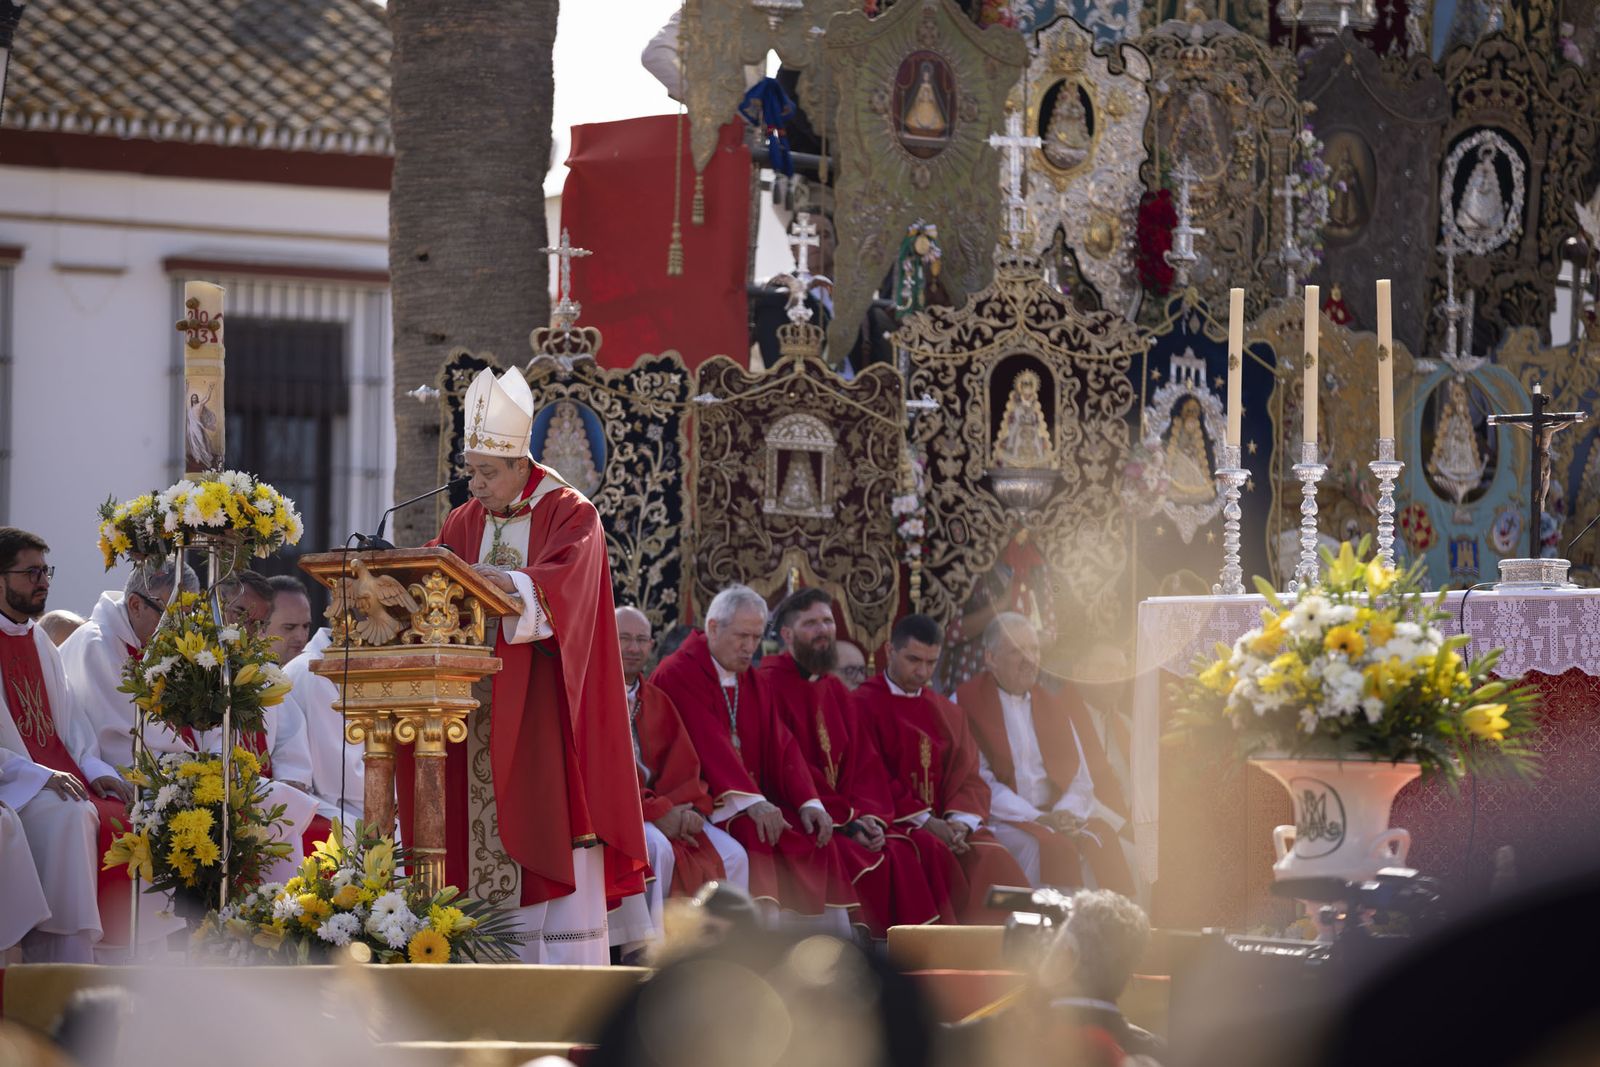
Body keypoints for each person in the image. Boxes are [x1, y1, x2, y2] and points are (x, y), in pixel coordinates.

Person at [396, 367, 648, 964]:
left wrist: (509, 583)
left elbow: (572, 586)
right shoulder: (466, 519)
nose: (476, 485)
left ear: (520, 464)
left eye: (488, 472)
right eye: (471, 471)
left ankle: (554, 978)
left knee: (542, 817)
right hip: (471, 712)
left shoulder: (571, 512)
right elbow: (435, 570)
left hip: (541, 708)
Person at [62, 561, 319, 887]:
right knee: (265, 802)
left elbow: (204, 726)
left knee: (280, 801)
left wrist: (210, 762)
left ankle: (271, 906)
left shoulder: (161, 642)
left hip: (172, 765)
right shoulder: (96, 644)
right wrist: (195, 765)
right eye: (173, 614)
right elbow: (119, 733)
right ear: (136, 605)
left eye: (189, 613)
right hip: (127, 772)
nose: (183, 627)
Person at [649, 584, 860, 934]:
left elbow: (782, 744)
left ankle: (823, 946)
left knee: (813, 837)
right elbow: (710, 744)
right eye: (742, 636)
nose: (750, 647)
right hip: (702, 800)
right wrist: (754, 803)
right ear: (713, 627)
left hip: (744, 799)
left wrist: (809, 802)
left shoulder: (750, 679)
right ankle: (760, 945)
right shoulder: (679, 672)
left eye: (757, 637)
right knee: (758, 835)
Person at [757, 588, 946, 934]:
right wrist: (847, 822)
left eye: (827, 621)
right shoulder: (767, 684)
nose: (823, 630)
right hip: (799, 811)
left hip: (845, 815)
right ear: (787, 634)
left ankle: (903, 953)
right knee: (860, 857)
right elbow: (788, 764)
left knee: (900, 850)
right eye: (811, 623)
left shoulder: (835, 689)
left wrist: (868, 817)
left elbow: (863, 765)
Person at [0, 527, 126, 960]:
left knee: (117, 811)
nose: (43, 582)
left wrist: (96, 770)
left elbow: (71, 727)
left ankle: (110, 951)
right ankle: (61, 952)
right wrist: (36, 775)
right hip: (13, 782)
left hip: (48, 777)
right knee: (70, 814)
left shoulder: (39, 640)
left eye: (45, 571)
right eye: (30, 572)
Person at [855, 614, 1031, 922]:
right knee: (931, 852)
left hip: (949, 825)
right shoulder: (860, 704)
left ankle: (1005, 944)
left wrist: (960, 823)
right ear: (889, 651)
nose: (922, 672)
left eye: (931, 663)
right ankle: (942, 943)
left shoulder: (948, 712)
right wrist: (925, 820)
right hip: (897, 821)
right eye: (913, 660)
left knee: (993, 856)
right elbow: (868, 774)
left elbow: (969, 777)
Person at [955, 613, 1133, 893]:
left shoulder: (1053, 706)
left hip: (1055, 817)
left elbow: (1080, 779)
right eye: (1017, 651)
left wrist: (1063, 813)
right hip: (1002, 820)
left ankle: (1098, 922)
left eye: (1034, 649)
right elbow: (978, 780)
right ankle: (1036, 922)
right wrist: (1036, 817)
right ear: (990, 658)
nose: (1029, 659)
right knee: (1039, 848)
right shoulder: (966, 703)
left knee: (1105, 843)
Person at [611, 605, 749, 962]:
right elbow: (605, 777)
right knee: (658, 848)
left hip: (664, 807)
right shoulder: (592, 695)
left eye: (641, 640)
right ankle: (648, 953)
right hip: (619, 811)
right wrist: (659, 813)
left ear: (652, 645)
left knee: (734, 854)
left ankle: (730, 957)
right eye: (624, 638)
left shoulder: (657, 700)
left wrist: (688, 811)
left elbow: (683, 765)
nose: (633, 647)